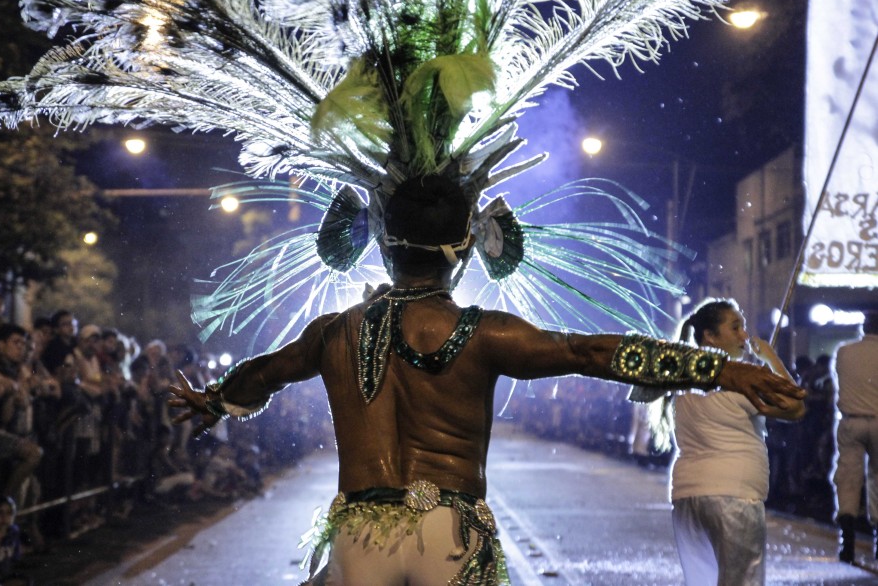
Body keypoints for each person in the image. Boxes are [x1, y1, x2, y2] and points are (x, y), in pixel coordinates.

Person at [170, 176, 806, 585]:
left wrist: (216, 399)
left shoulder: (332, 333)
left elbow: (263, 374)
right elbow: (592, 352)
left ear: (383, 249)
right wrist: (720, 369)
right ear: (467, 248)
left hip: (359, 536)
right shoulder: (485, 332)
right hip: (451, 534)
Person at [667, 299, 804, 586]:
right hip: (733, 497)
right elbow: (796, 405)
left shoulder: (681, 378)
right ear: (710, 336)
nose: (744, 335)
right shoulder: (740, 379)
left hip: (687, 497)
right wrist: (770, 357)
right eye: (735, 327)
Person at [831, 310, 878, 564]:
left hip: (852, 420)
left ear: (864, 328)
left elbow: (841, 378)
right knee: (877, 479)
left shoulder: (845, 351)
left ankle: (846, 542)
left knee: (848, 478)